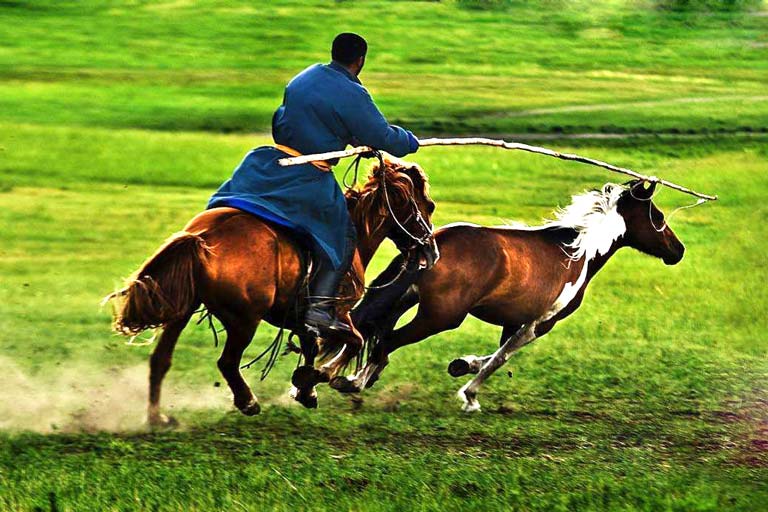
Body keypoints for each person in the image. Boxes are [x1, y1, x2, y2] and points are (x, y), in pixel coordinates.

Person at [207, 33, 420, 336]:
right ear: (360, 60)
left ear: (333, 53)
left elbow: (288, 118)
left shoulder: (303, 77)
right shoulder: (353, 93)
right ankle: (319, 310)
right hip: (307, 175)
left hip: (272, 162)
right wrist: (409, 141)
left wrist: (348, 137)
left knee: (227, 201)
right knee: (343, 236)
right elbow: (384, 138)